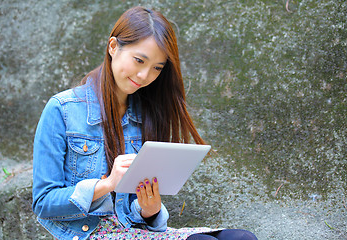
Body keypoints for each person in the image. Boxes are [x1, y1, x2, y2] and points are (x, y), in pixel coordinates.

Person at [32, 6, 258, 240]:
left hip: (129, 231)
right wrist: (107, 184)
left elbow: (134, 213)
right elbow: (43, 202)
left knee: (241, 238)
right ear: (113, 47)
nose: (144, 76)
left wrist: (150, 211)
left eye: (157, 68)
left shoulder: (145, 113)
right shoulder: (62, 109)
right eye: (139, 60)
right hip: (86, 233)